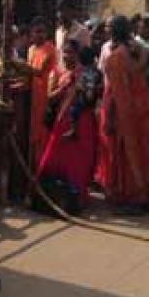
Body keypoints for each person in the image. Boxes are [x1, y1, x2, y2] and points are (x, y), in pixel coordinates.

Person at [96, 15, 149, 215]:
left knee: (125, 153)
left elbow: (116, 92)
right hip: (143, 106)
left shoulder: (117, 56)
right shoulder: (139, 50)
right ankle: (146, 196)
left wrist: (111, 116)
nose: (105, 30)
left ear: (115, 31)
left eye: (108, 27)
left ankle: (133, 198)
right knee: (143, 150)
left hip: (125, 111)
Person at [37, 41, 100, 207]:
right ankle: (53, 194)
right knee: (54, 157)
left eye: (70, 52)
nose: (66, 56)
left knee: (79, 160)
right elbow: (50, 97)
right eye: (64, 52)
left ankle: (77, 196)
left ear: (77, 55)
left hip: (82, 121)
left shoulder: (85, 73)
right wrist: (63, 88)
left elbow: (91, 98)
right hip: (62, 120)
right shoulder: (61, 73)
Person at [24, 18, 59, 164]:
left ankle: (42, 166)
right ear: (31, 33)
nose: (40, 35)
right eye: (37, 32)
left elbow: (38, 71)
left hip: (45, 94)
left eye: (43, 32)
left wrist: (20, 66)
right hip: (32, 94)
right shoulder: (31, 49)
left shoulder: (50, 48)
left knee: (42, 130)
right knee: (32, 130)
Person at [55, 0, 91, 68]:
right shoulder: (58, 32)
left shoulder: (82, 31)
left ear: (72, 11)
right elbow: (58, 55)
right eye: (59, 11)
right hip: (62, 73)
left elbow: (87, 56)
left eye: (65, 10)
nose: (61, 14)